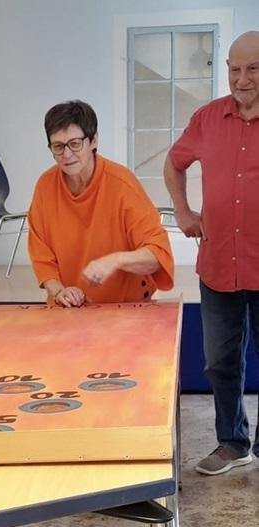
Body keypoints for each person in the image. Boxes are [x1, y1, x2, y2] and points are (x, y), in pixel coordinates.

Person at [163, 31, 259, 476]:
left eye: (253, 69)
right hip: (219, 264)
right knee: (220, 362)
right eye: (235, 69)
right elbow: (174, 162)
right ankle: (232, 443)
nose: (242, 79)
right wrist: (183, 211)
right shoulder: (206, 119)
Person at [27, 100, 174, 308]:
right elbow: (42, 256)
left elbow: (158, 255)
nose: (67, 155)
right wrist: (59, 291)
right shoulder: (45, 186)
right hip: (69, 308)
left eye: (75, 144)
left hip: (126, 308)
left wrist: (116, 260)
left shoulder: (122, 184)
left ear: (93, 140)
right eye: (58, 146)